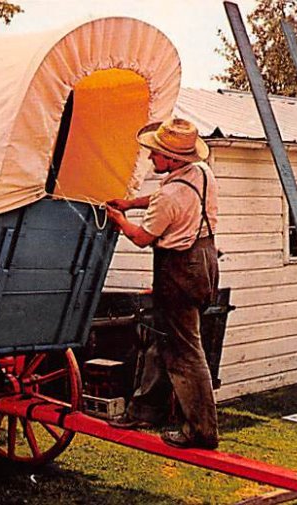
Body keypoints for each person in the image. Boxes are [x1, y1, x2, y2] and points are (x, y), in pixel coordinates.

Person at [105, 117, 220, 450]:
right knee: (162, 341)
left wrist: (120, 219)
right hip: (203, 262)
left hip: (179, 270)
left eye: (156, 153)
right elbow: (161, 197)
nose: (151, 158)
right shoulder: (200, 173)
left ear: (172, 159)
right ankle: (145, 409)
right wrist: (131, 203)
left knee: (186, 353)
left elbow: (141, 237)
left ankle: (202, 431)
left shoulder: (170, 196)